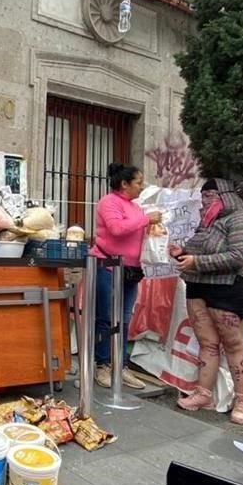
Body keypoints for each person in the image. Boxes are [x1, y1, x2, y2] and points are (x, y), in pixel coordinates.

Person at [170, 179, 243, 425]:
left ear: (226, 195)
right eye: (204, 195)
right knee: (207, 344)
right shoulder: (206, 225)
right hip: (198, 287)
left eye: (211, 194)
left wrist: (197, 262)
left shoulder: (242, 221)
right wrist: (180, 252)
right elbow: (193, 252)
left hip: (229, 289)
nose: (206, 200)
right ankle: (203, 393)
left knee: (233, 345)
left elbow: (241, 254)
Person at [90, 163, 162, 389]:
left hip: (131, 271)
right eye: (139, 182)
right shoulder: (108, 202)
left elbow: (137, 232)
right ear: (124, 184)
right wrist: (146, 219)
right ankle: (101, 365)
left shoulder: (135, 207)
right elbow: (117, 229)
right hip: (107, 266)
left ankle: (120, 366)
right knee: (105, 318)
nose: (142, 187)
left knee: (124, 319)